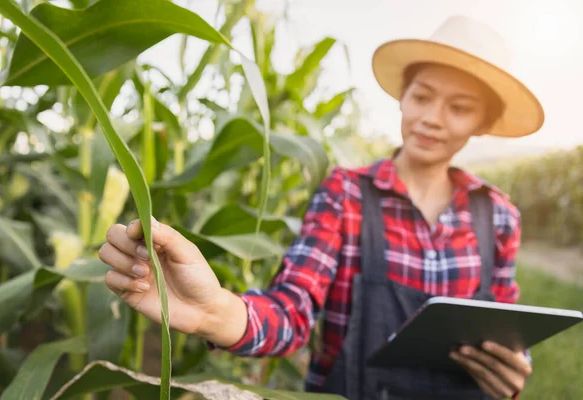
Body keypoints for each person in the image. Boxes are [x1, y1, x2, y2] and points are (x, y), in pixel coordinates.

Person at [98, 15, 544, 400]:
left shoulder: (499, 216)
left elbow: (505, 322)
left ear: (482, 123)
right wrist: (216, 311)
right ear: (402, 97)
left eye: (460, 108)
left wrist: (513, 365)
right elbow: (291, 311)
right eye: (422, 97)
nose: (432, 117)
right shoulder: (346, 194)